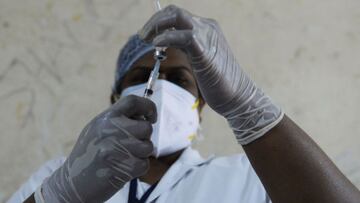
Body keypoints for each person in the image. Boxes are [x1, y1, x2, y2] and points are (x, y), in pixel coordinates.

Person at [8, 5, 360, 203]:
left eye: (178, 81)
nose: (158, 88)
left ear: (202, 104)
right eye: (140, 78)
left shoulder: (248, 177)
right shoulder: (60, 175)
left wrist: (249, 108)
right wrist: (59, 196)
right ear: (115, 99)